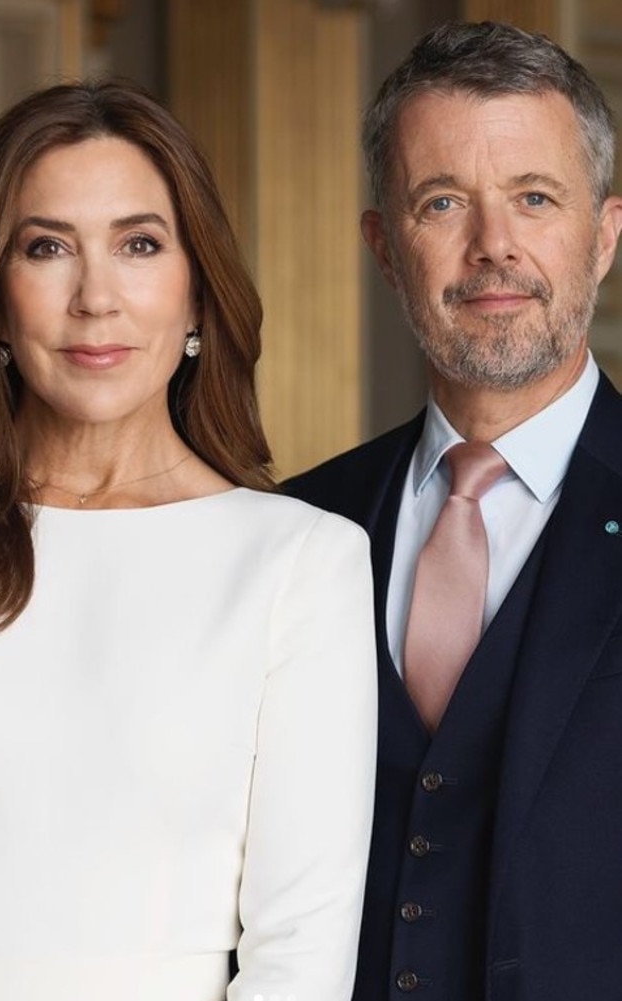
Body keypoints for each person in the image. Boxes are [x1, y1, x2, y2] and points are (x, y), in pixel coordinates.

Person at [0, 79, 377, 1001]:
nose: (96, 299)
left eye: (139, 244)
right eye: (46, 248)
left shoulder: (300, 562)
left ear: (197, 293)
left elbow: (301, 959)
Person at [284, 19, 622, 1001]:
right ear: (384, 246)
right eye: (442, 202)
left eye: (532, 197)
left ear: (602, 234)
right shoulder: (302, 524)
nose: (492, 247)